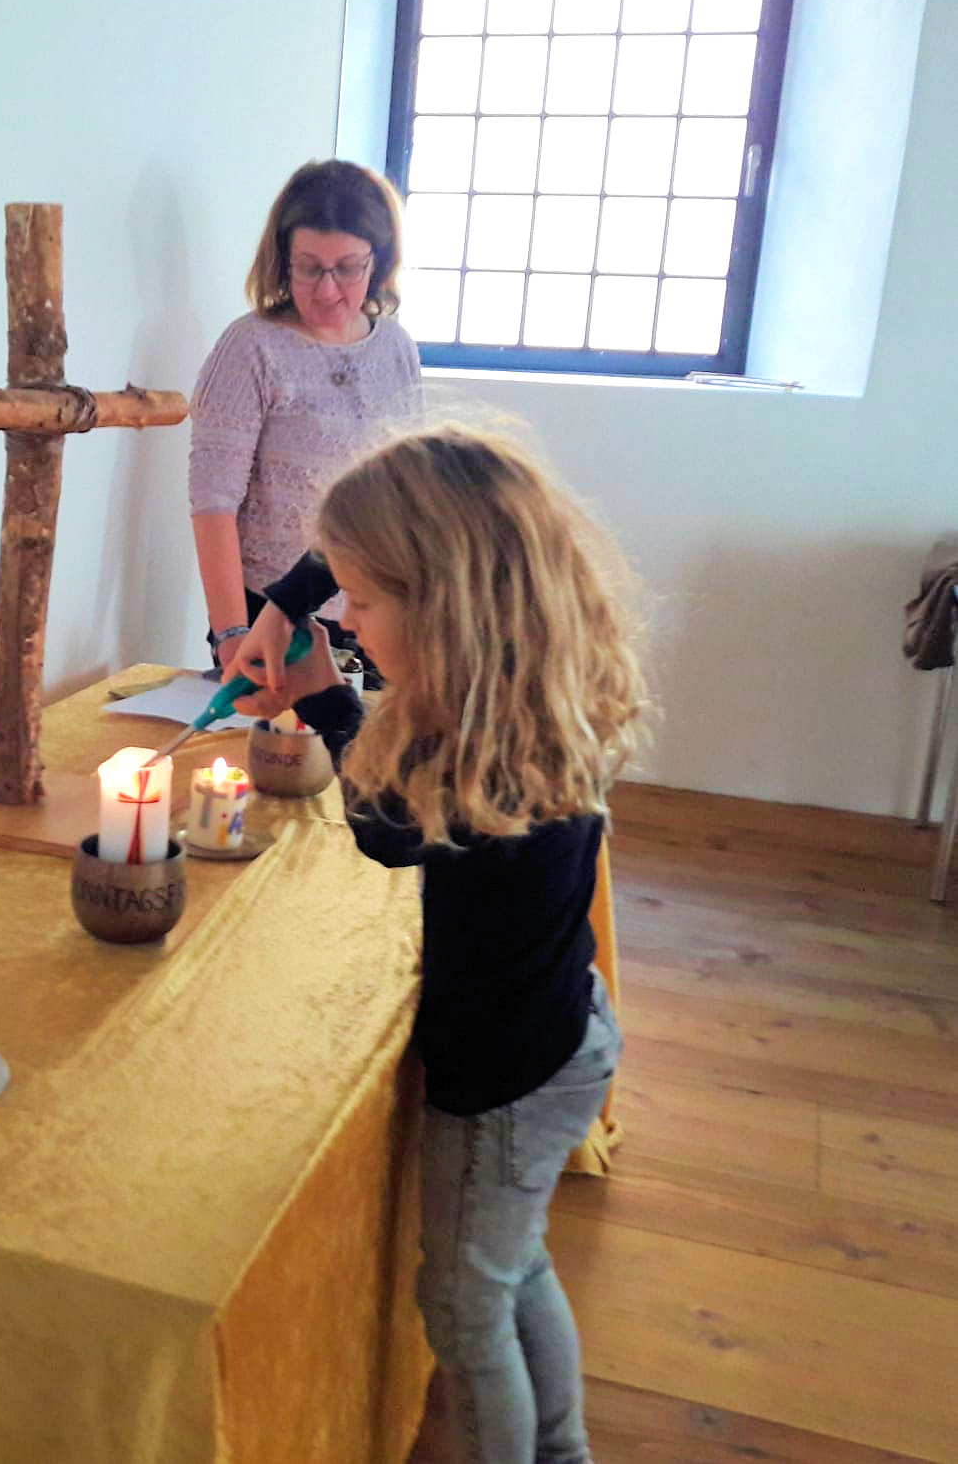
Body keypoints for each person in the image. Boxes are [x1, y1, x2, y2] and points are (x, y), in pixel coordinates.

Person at [232, 424, 646, 1464]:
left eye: (366, 609)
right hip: (563, 1038)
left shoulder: (475, 755)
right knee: (514, 1269)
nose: (355, 624)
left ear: (443, 603)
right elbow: (366, 551)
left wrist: (324, 695)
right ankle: (562, 1452)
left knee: (462, 1307)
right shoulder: (524, 697)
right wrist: (299, 616)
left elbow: (381, 833)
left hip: (501, 1078)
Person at [187, 158, 422, 679]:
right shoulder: (251, 347)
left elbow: (405, 496)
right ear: (282, 260)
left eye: (347, 268)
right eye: (309, 267)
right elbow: (213, 503)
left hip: (378, 617)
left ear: (378, 262)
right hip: (269, 616)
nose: (327, 289)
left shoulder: (398, 351)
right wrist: (230, 633)